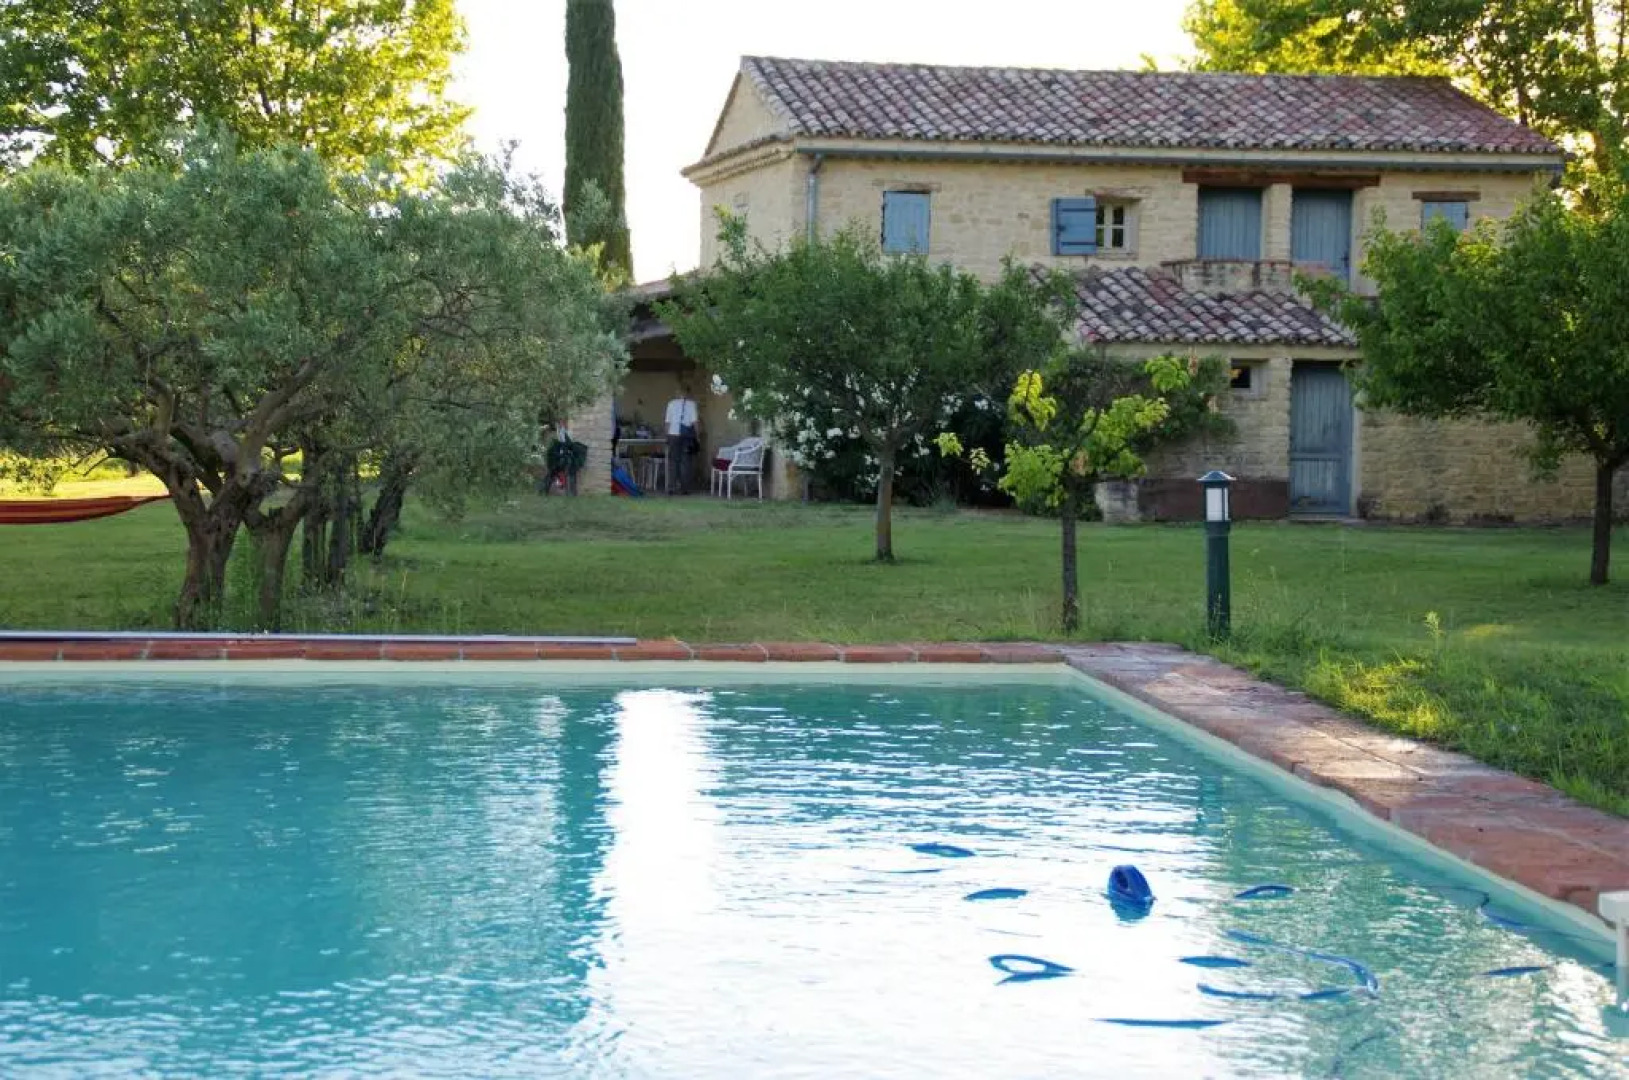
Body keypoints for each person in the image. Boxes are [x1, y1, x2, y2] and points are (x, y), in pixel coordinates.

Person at [664, 383, 699, 494]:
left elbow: (667, 422)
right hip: (686, 436)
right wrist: (697, 436)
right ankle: (685, 488)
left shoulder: (671, 404)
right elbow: (695, 423)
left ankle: (671, 487)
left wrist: (667, 436)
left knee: (673, 461)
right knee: (685, 462)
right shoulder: (691, 404)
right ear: (688, 393)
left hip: (673, 435)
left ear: (678, 392)